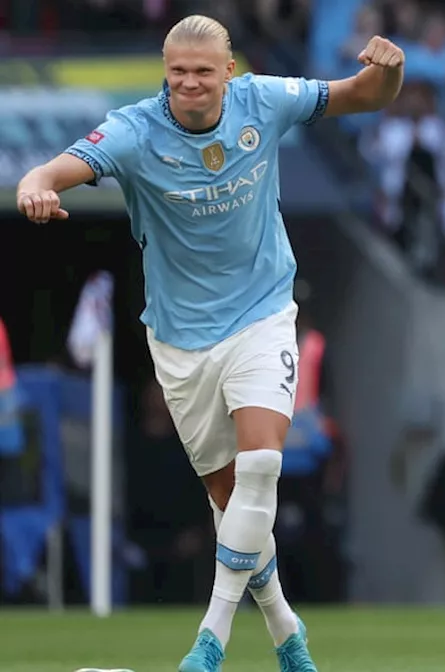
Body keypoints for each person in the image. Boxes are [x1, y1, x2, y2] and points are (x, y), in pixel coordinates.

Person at [15, 15, 404, 672]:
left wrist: (389, 70)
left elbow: (364, 95)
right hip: (181, 341)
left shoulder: (264, 100)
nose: (190, 84)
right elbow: (62, 166)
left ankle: (210, 642)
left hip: (262, 315)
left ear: (228, 71)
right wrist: (36, 184)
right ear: (165, 74)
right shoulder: (136, 130)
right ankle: (287, 634)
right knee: (234, 507)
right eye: (178, 73)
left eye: (203, 71)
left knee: (261, 469)